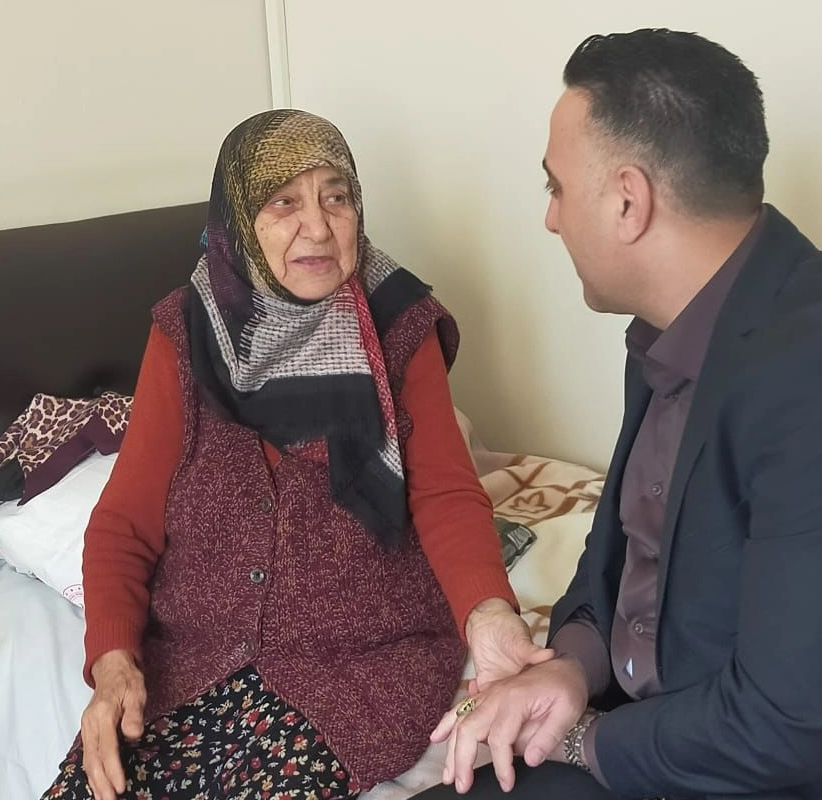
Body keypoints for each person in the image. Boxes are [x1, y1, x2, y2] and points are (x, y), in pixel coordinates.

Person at [421, 28, 822, 800]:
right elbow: (622, 557)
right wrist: (569, 670)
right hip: (708, 725)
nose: (551, 218)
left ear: (628, 201)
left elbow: (784, 725)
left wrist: (574, 739)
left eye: (556, 188)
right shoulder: (675, 328)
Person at [41, 109, 549, 800]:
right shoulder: (187, 331)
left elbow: (445, 494)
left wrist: (488, 614)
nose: (318, 227)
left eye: (336, 197)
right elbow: (124, 525)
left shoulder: (398, 324)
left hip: (356, 662)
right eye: (283, 203)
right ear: (237, 222)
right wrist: (113, 663)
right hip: (189, 659)